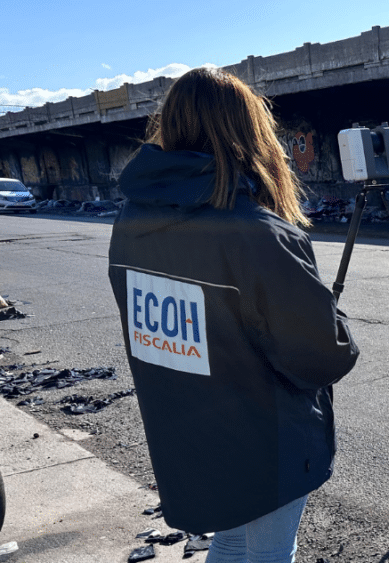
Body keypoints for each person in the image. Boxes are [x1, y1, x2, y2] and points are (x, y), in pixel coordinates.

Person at [107, 67, 359, 563]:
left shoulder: (130, 223)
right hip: (266, 444)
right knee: (268, 553)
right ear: (249, 133)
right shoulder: (257, 232)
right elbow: (324, 357)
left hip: (190, 434)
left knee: (230, 540)